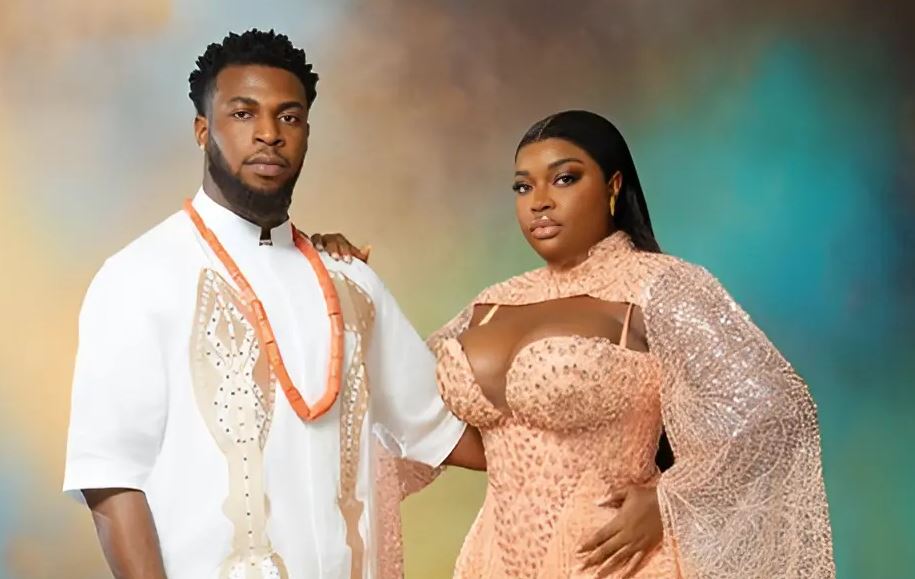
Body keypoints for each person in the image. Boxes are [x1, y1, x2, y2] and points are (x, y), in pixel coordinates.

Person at [322, 110, 834, 578]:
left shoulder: (658, 287)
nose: (540, 201)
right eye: (523, 187)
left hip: (616, 562)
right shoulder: (491, 304)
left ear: (613, 186)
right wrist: (340, 282)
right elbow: (409, 415)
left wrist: (668, 501)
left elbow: (778, 413)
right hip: (490, 562)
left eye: (564, 178)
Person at [63, 29, 483, 579]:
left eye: (289, 117)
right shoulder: (138, 277)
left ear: (306, 132)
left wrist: (588, 443)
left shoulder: (350, 281)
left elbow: (440, 430)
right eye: (243, 114)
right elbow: (111, 478)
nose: (269, 133)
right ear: (202, 130)